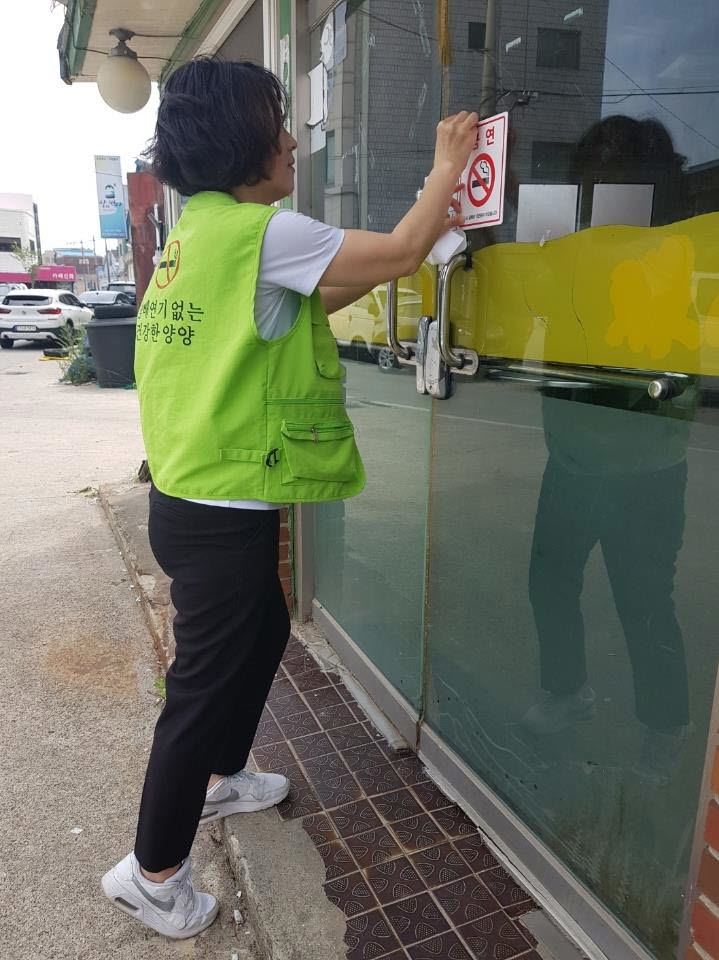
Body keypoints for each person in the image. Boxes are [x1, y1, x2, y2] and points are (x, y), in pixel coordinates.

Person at [101, 55, 478, 939]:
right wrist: (445, 171)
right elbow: (395, 253)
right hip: (220, 511)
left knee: (264, 631)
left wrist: (399, 251)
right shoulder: (258, 233)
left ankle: (220, 777)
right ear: (245, 146)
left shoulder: (200, 234)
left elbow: (338, 281)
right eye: (278, 130)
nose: (291, 145)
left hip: (190, 502)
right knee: (198, 694)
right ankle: (151, 874)